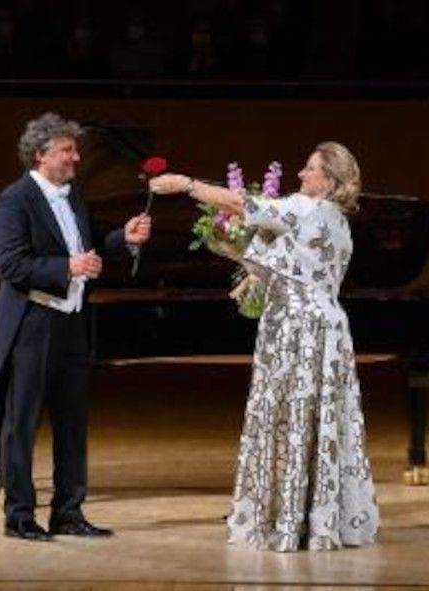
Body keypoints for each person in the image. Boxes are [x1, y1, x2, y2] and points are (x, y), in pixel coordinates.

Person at [149, 142, 379, 552]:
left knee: (290, 420)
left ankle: (287, 519)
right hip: (328, 328)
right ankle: (318, 518)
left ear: (329, 181)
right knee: (316, 422)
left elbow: (242, 203)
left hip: (298, 330)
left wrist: (186, 184)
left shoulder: (304, 208)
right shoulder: (337, 221)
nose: (301, 175)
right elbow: (292, 263)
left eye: (310, 169)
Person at [0, 112, 152, 541]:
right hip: (32, 325)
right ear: (41, 155)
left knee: (72, 423)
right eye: (67, 150)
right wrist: (67, 266)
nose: (76, 157)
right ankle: (20, 517)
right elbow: (10, 265)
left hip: (71, 324)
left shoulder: (73, 195)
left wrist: (125, 237)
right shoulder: (13, 200)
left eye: (74, 149)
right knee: (21, 425)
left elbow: (92, 241)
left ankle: (68, 513)